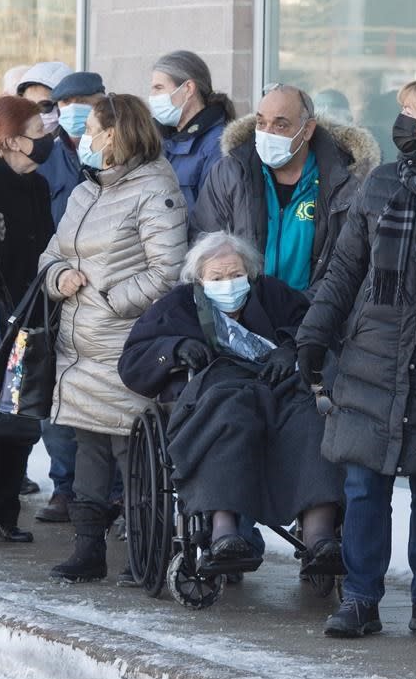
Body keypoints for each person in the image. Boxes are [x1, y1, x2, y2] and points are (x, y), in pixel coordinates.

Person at [297, 74, 416, 641]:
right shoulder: (381, 184)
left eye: (412, 111)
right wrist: (314, 335)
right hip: (371, 362)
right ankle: (360, 598)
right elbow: (343, 270)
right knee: (364, 489)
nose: (402, 119)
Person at [118, 232, 345, 572]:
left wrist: (289, 349)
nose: (229, 283)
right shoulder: (178, 305)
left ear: (250, 274)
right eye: (217, 277)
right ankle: (223, 530)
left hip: (279, 391)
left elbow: (314, 331)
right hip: (216, 391)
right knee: (227, 416)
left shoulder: (273, 295)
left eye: (236, 275)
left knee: (314, 420)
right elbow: (132, 361)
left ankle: (319, 534)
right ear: (199, 279)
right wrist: (175, 348)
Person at [40, 93, 186, 582]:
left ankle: (148, 554)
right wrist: (58, 277)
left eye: (92, 130)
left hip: (125, 346)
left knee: (135, 453)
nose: (83, 138)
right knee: (90, 450)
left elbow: (169, 271)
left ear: (113, 135)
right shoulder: (86, 191)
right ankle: (88, 551)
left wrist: (109, 298)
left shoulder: (155, 189)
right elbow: (51, 253)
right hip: (79, 347)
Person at [0, 95, 56, 546]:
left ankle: (6, 511)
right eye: (39, 135)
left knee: (22, 418)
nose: (47, 142)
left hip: (31, 311)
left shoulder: (37, 186)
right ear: (13, 140)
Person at [190, 82, 378, 296]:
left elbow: (348, 268)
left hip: (313, 315)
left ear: (307, 130)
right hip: (242, 313)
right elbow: (204, 248)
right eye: (261, 123)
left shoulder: (344, 183)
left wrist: (297, 310)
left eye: (280, 125)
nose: (267, 133)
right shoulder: (230, 173)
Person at [32, 69, 106, 523]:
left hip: (108, 294)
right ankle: (64, 485)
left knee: (105, 396)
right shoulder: (46, 163)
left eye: (85, 101)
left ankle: (109, 491)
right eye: (65, 104)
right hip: (57, 292)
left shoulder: (121, 155)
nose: (74, 111)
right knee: (54, 395)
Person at [12, 60, 78, 513]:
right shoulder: (30, 157)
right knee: (43, 388)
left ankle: (79, 486)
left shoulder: (78, 150)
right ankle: (61, 482)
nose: (45, 113)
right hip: (39, 287)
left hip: (81, 283)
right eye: (32, 105)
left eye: (50, 103)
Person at [149, 50, 235, 213]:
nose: (152, 96)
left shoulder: (216, 144)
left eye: (158, 88)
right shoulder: (162, 139)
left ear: (188, 88)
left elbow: (213, 217)